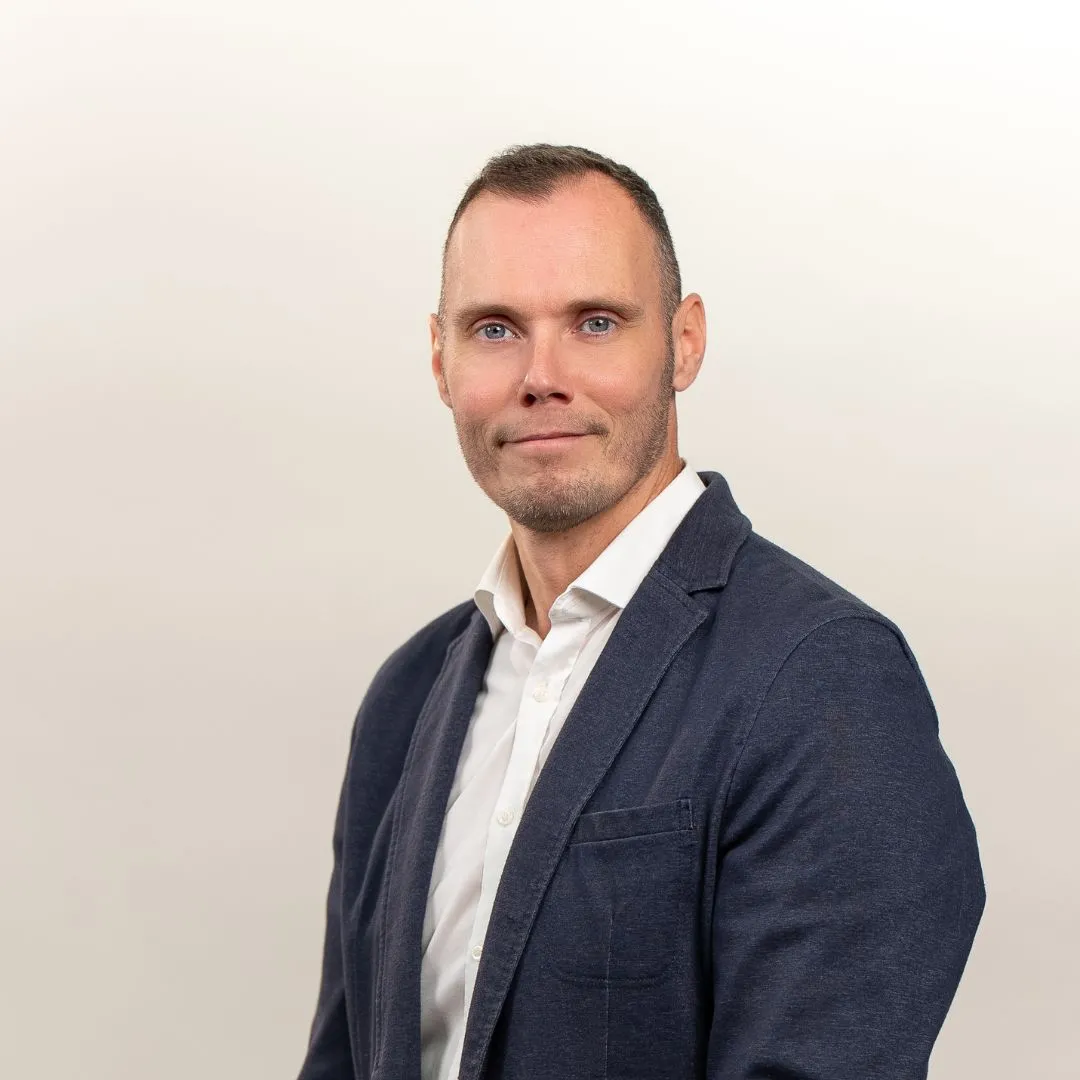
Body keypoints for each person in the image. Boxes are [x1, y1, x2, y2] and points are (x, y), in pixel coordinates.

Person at [295, 143, 985, 1080]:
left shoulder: (826, 678)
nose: (542, 374)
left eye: (595, 322)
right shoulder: (406, 698)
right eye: (495, 329)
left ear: (684, 340)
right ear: (440, 359)